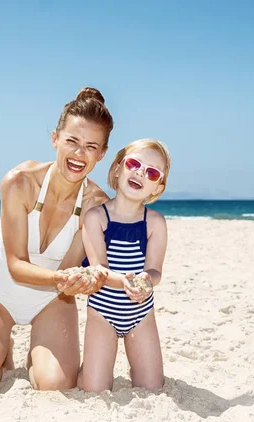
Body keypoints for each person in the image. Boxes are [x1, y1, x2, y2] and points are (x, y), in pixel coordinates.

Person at [0, 87, 113, 392]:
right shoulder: (19, 182)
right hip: (1, 290)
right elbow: (15, 265)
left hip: (52, 298)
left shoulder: (95, 205)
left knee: (56, 386)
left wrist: (84, 279)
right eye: (72, 142)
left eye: (91, 147)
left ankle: (36, 353)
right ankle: (3, 347)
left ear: (102, 153)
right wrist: (63, 278)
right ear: (55, 139)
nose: (79, 154)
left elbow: (72, 270)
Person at [77, 138, 171, 392]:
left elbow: (155, 270)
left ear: (156, 187)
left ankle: (137, 364)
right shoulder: (96, 217)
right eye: (133, 163)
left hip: (140, 315)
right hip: (102, 312)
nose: (140, 172)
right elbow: (99, 270)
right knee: (94, 389)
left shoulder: (155, 223)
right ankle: (87, 370)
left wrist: (146, 280)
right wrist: (126, 282)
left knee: (151, 386)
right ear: (118, 167)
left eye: (151, 173)